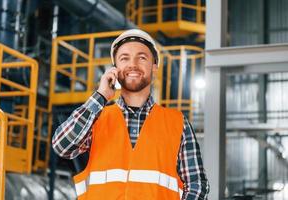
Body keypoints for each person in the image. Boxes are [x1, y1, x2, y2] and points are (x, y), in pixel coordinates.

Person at [52, 29, 209, 200]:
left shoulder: (178, 123)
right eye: (124, 58)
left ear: (154, 66)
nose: (133, 64)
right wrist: (100, 96)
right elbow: (62, 146)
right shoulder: (96, 118)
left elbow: (197, 184)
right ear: (115, 69)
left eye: (142, 57)